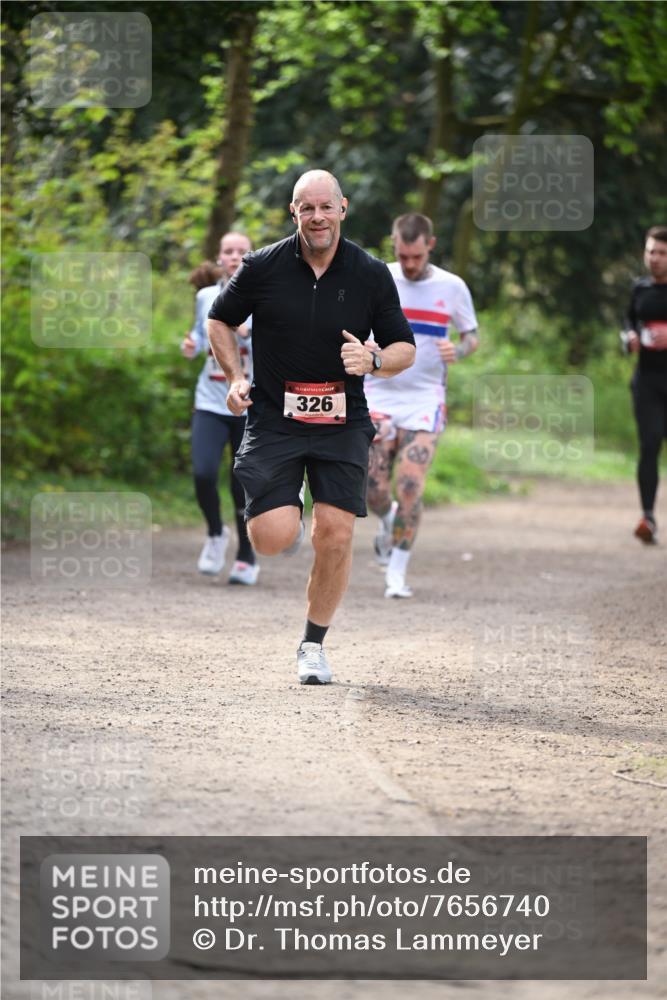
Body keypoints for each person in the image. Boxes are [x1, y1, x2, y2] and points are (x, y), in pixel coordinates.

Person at [207, 169, 415, 684]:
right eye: (307, 208)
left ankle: (313, 645)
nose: (317, 217)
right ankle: (287, 509)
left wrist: (372, 362)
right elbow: (219, 320)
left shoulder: (370, 273)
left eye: (326, 207)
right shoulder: (261, 267)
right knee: (273, 538)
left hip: (343, 420)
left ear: (343, 208)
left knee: (336, 534)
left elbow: (403, 348)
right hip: (275, 418)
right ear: (292, 212)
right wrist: (235, 378)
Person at [364, 213, 479, 598]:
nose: (410, 265)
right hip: (378, 392)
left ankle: (397, 571)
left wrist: (457, 350)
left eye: (416, 256)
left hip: (425, 397)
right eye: (403, 255)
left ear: (430, 245)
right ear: (393, 246)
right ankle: (389, 520)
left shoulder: (453, 286)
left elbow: (471, 337)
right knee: (373, 489)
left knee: (410, 484)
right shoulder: (378, 277)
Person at [181, 232, 259, 585]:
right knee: (203, 473)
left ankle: (246, 554)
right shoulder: (206, 296)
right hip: (210, 400)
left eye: (242, 251)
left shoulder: (265, 297)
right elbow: (200, 335)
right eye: (228, 251)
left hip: (247, 403)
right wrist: (192, 343)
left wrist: (243, 330)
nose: (234, 257)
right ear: (219, 258)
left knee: (241, 482)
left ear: (252, 257)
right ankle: (216, 533)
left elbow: (274, 345)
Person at [622, 225, 667, 545]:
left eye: (662, 253)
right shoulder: (639, 289)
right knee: (649, 445)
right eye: (651, 251)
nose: (655, 258)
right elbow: (627, 323)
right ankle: (647, 517)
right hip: (647, 381)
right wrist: (630, 339)